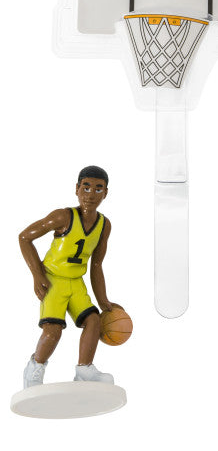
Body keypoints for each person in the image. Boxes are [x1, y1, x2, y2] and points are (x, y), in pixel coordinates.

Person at [19, 165, 120, 387]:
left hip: (76, 282)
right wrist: (37, 274)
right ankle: (34, 368)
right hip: (54, 279)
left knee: (94, 321)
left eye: (98, 189)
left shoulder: (104, 225)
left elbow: (97, 264)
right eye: (86, 187)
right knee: (53, 332)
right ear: (77, 189)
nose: (91, 194)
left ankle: (84, 370)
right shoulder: (63, 216)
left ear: (106, 193)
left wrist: (103, 300)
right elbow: (24, 237)